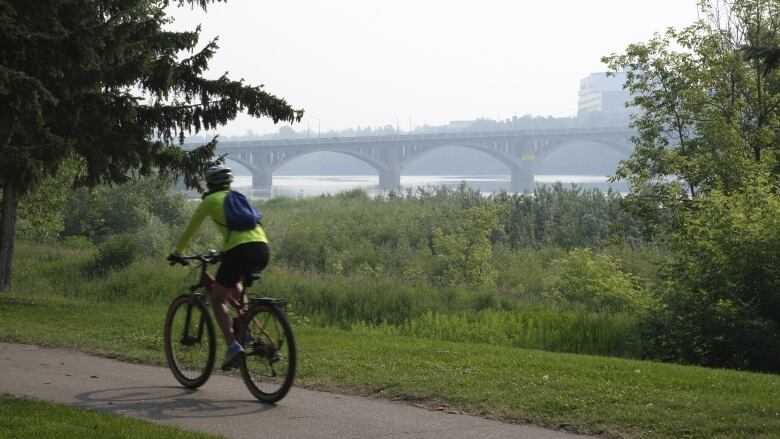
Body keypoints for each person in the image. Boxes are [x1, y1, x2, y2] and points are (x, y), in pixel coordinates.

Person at [169, 165, 270, 370]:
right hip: (262, 248)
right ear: (229, 182)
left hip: (238, 251)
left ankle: (233, 346)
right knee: (236, 285)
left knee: (217, 298)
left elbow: (191, 228)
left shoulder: (210, 201)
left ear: (209, 183)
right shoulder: (239, 197)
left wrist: (178, 252)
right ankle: (246, 329)